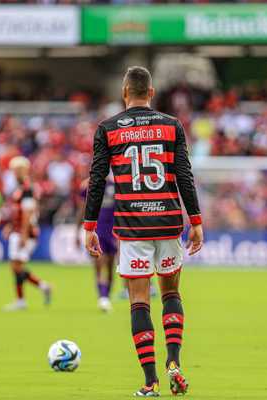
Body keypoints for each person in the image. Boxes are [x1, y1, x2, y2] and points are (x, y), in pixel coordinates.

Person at [83, 66, 203, 397]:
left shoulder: (108, 129)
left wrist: (89, 227)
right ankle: (174, 362)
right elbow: (184, 175)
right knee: (170, 294)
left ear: (125, 93)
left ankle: (150, 383)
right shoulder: (171, 125)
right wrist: (196, 221)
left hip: (132, 226)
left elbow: (96, 181)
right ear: (151, 93)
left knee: (138, 301)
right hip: (167, 221)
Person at [2, 156, 52, 311]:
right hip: (18, 229)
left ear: (24, 170)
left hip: (26, 232)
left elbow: (28, 212)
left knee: (16, 266)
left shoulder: (27, 188)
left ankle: (25, 297)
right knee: (16, 266)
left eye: (17, 169)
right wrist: (10, 225)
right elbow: (18, 211)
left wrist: (23, 233)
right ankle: (37, 289)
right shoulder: (20, 188)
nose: (15, 173)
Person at [77, 175, 117, 312]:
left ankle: (106, 297)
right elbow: (83, 209)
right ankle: (103, 297)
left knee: (111, 267)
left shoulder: (115, 184)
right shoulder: (88, 185)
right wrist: (78, 230)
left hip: (112, 231)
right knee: (99, 264)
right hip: (96, 230)